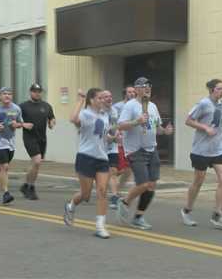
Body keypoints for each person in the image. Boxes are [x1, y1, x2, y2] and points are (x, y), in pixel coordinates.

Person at [116, 77, 173, 230]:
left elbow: (157, 127)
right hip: (135, 150)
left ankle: (138, 217)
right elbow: (121, 125)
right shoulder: (130, 106)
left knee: (152, 185)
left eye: (149, 86)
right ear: (136, 89)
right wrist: (136, 121)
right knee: (143, 184)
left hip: (151, 148)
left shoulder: (153, 106)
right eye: (144, 86)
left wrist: (164, 131)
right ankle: (124, 201)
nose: (148, 88)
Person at [182, 79, 222, 230]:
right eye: (219, 89)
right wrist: (205, 128)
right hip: (201, 150)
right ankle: (187, 210)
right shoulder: (203, 103)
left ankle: (218, 215)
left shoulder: (221, 103)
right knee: (198, 182)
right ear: (211, 90)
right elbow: (188, 120)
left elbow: (219, 119)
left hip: (218, 149)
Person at [63, 88, 112, 239]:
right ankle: (71, 205)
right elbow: (73, 119)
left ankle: (100, 226)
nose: (103, 100)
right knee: (86, 195)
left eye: (104, 98)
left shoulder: (105, 116)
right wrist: (80, 100)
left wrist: (113, 138)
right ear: (91, 100)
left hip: (102, 158)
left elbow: (103, 136)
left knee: (102, 191)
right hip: (86, 157)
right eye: (99, 98)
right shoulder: (85, 114)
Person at [0, 87, 32, 205]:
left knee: (1, 168)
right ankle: (6, 193)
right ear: (0, 96)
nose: (7, 96)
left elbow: (19, 123)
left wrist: (19, 125)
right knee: (5, 167)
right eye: (4, 94)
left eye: (9, 94)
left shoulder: (16, 108)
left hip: (10, 141)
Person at [19, 83, 55, 200]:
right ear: (30, 92)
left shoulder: (47, 106)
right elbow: (14, 121)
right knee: (37, 161)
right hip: (29, 137)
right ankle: (31, 187)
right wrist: (23, 124)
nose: (37, 93)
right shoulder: (23, 106)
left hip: (42, 139)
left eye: (39, 91)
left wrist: (52, 122)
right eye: (34, 91)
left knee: (36, 164)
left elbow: (51, 118)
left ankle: (25, 185)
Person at [109, 86, 136, 208]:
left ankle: (116, 190)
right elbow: (112, 122)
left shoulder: (137, 106)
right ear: (125, 94)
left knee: (128, 170)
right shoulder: (117, 107)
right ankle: (114, 193)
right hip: (118, 142)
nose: (131, 93)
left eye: (133, 92)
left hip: (130, 143)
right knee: (116, 170)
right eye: (129, 92)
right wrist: (116, 133)